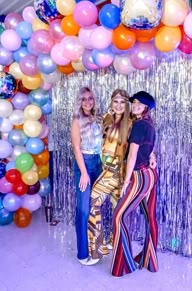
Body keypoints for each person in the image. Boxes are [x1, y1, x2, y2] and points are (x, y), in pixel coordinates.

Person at [111, 91, 158, 277]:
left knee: (118, 217)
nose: (136, 105)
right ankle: (150, 261)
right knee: (150, 218)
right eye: (134, 102)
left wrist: (126, 181)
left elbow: (131, 156)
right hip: (150, 174)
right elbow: (149, 148)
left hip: (139, 176)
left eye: (140, 103)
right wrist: (152, 156)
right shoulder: (148, 123)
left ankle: (124, 264)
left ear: (146, 106)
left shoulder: (139, 125)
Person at [87, 89, 131, 265]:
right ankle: (103, 247)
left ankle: (103, 248)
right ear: (111, 103)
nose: (119, 105)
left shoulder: (132, 123)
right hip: (105, 170)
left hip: (117, 173)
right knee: (112, 210)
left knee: (104, 207)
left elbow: (141, 144)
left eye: (122, 102)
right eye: (116, 101)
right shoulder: (106, 118)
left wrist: (152, 156)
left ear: (127, 104)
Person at [71, 87, 103, 265]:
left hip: (99, 163)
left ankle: (96, 246)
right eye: (84, 99)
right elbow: (76, 148)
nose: (88, 102)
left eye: (90, 98)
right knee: (83, 209)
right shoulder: (77, 120)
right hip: (84, 164)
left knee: (95, 208)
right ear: (79, 101)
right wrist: (84, 172)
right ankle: (82, 253)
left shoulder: (98, 117)